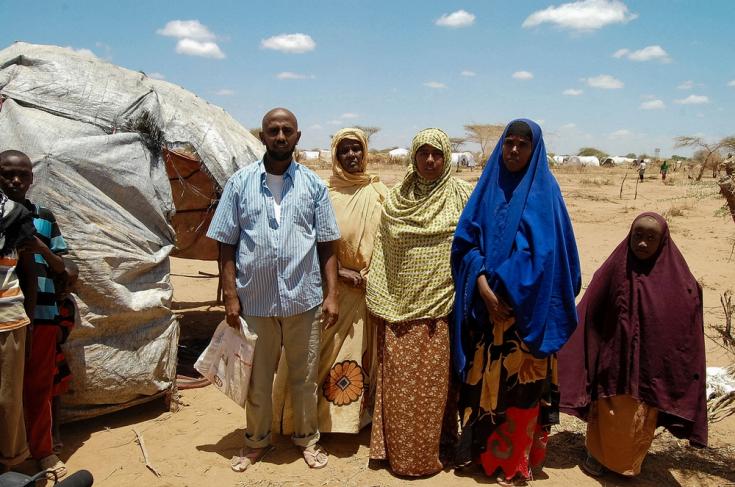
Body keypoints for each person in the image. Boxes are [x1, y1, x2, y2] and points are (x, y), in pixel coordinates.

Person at [207, 108, 340, 472]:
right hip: (256, 301)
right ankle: (255, 442)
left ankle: (308, 441)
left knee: (304, 379)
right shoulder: (239, 183)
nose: (280, 136)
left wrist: (331, 295)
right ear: (262, 136)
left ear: (297, 137)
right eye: (273, 130)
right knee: (258, 381)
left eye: (287, 131)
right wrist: (231, 296)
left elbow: (328, 245)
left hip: (305, 300)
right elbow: (225, 244)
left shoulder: (313, 185)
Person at [451, 119, 581, 486]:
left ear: (534, 150)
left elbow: (553, 258)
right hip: (487, 317)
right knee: (482, 389)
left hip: (527, 319)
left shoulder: (546, 195)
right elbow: (465, 245)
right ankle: (480, 454)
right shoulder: (487, 189)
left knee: (521, 393)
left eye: (523, 145)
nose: (513, 151)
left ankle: (513, 463)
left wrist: (508, 290)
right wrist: (483, 286)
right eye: (508, 143)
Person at [558, 212, 707, 478]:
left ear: (663, 241)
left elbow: (686, 319)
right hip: (613, 360)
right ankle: (597, 457)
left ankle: (630, 463)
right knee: (609, 411)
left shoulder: (679, 281)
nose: (642, 244)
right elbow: (591, 307)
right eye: (638, 236)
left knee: (639, 416)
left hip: (649, 367)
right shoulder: (615, 268)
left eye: (651, 238)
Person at [366, 128, 472, 476]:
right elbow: (385, 252)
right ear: (413, 156)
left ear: (446, 158)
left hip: (440, 312)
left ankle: (432, 453)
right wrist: (386, 296)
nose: (429, 160)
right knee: (399, 389)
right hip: (398, 311)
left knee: (436, 390)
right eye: (423, 153)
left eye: (437, 154)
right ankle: (396, 454)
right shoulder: (397, 198)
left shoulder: (461, 196)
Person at [272, 128, 387, 434]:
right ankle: (307, 421)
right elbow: (304, 242)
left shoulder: (379, 193)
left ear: (365, 152)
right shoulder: (322, 193)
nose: (352, 156)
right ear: (336, 156)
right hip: (332, 288)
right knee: (320, 356)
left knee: (363, 354)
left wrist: (372, 273)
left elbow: (390, 242)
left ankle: (354, 419)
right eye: (345, 151)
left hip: (370, 289)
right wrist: (338, 273)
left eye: (357, 149)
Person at [0, 151, 68, 479]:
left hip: (41, 314)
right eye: (7, 174)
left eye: (22, 175)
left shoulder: (44, 217)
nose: (15, 181)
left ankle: (43, 452)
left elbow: (69, 271)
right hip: (6, 315)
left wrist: (38, 247)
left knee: (39, 386)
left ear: (31, 179)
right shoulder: (2, 217)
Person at [0, 177, 37, 474]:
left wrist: (32, 320)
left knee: (7, 400)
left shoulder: (13, 214)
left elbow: (28, 271)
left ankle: (10, 466)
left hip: (7, 320)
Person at [51, 259, 79, 451]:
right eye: (59, 282)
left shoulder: (66, 306)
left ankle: (55, 435)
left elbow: (61, 337)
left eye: (69, 284)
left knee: (55, 398)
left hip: (55, 357)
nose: (64, 288)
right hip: (40, 355)